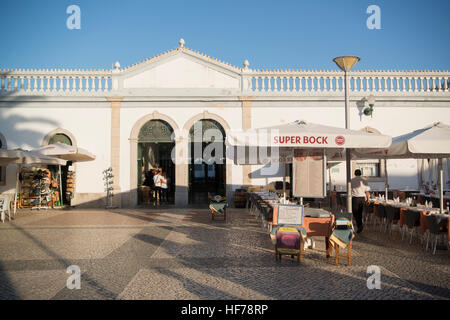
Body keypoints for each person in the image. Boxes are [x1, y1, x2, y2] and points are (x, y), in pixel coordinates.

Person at [351, 169, 370, 233]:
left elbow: (349, 189)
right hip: (362, 198)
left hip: (355, 198)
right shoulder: (365, 180)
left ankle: (360, 225)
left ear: (355, 173)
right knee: (360, 212)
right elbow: (367, 191)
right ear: (360, 173)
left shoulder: (352, 180)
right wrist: (368, 199)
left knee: (355, 213)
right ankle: (360, 225)